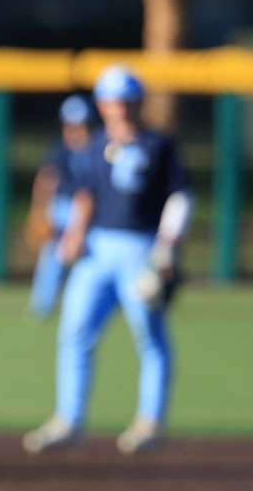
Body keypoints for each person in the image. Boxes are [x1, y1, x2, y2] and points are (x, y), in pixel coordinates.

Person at [24, 65, 193, 456]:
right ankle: (69, 419)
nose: (119, 109)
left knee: (150, 337)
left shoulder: (158, 145)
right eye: (112, 102)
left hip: (140, 248)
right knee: (74, 332)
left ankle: (150, 420)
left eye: (126, 102)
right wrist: (73, 233)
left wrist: (167, 245)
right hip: (97, 250)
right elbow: (86, 195)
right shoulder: (97, 144)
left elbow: (181, 195)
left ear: (137, 103)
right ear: (102, 105)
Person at [23, 95, 97, 320]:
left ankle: (94, 304)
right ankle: (42, 304)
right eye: (71, 125)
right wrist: (40, 208)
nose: (76, 130)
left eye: (81, 124)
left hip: (92, 208)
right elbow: (48, 178)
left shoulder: (99, 145)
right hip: (63, 205)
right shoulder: (60, 148)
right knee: (52, 256)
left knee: (93, 255)